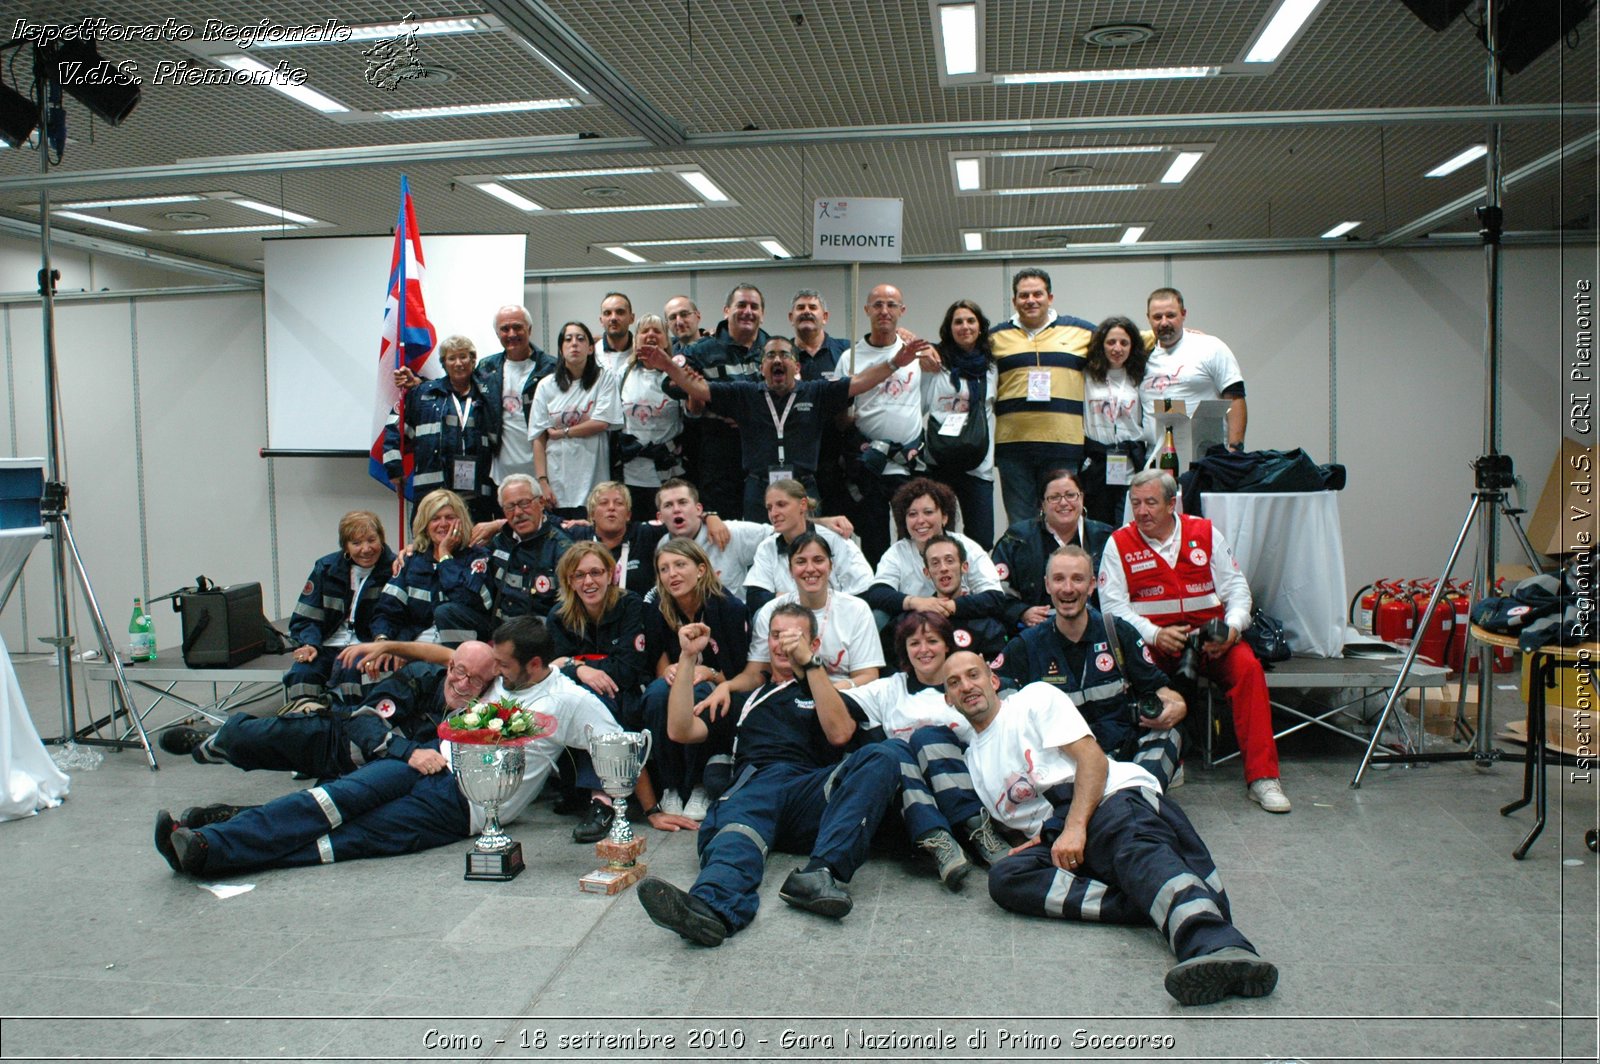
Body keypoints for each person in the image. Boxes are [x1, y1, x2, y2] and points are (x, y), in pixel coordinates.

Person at [154, 617, 676, 877]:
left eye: (504, 662)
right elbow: (439, 651)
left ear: (536, 665)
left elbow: (620, 748)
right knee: (329, 802)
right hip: (427, 763)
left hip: (467, 806)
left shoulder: (569, 700)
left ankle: (213, 848)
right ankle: (210, 838)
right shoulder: (498, 676)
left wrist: (648, 811)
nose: (490, 669)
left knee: (349, 838)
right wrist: (388, 645)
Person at [942, 651, 1279, 1007]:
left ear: (993, 680)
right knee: (1006, 878)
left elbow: (1092, 760)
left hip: (1107, 799)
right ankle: (1157, 899)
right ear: (948, 699)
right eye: (954, 683)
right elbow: (1019, 815)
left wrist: (1074, 827)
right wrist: (1042, 838)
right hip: (1060, 835)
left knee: (1133, 849)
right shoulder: (973, 760)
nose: (966, 686)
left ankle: (1219, 944)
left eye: (973, 675)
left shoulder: (1033, 699)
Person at [635, 608, 902, 945]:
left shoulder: (826, 693)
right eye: (776, 635)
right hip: (756, 786)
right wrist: (688, 657)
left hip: (811, 792)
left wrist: (810, 664)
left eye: (795, 637)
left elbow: (840, 734)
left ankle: (820, 874)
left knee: (885, 755)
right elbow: (680, 729)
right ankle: (710, 909)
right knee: (737, 834)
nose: (783, 644)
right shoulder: (743, 700)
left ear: (814, 643)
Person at [1098, 470, 1288, 813]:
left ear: (1172, 504)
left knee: (1248, 670)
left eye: (1151, 503)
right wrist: (1154, 633)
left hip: (1211, 640)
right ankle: (1167, 759)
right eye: (1136, 503)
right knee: (1134, 676)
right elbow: (1112, 608)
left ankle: (1263, 777)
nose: (1141, 511)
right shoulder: (1119, 543)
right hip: (1154, 643)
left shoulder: (1204, 532)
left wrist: (1232, 629)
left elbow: (1237, 589)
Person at [640, 335, 920, 523]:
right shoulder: (744, 394)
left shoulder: (816, 392)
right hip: (758, 488)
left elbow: (860, 382)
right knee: (760, 554)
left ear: (796, 366)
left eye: (784, 355)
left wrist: (896, 362)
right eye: (770, 355)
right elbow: (697, 388)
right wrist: (666, 364)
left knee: (807, 553)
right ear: (761, 367)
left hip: (803, 487)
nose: (777, 360)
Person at [839, 610, 1012, 887]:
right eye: (914, 643)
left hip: (966, 788)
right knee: (892, 750)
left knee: (927, 736)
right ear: (905, 651)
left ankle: (979, 831)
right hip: (912, 800)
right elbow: (837, 700)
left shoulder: (965, 685)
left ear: (947, 645)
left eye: (932, 641)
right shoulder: (890, 689)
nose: (923, 650)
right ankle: (939, 841)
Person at [162, 641, 498, 782]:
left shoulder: (485, 709)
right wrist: (408, 752)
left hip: (377, 774)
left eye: (476, 680)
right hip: (336, 740)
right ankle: (210, 739)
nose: (463, 684)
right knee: (242, 738)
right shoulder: (420, 678)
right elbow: (366, 722)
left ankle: (220, 815)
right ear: (450, 664)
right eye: (460, 672)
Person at [997, 546, 1185, 788]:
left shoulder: (1118, 632)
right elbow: (997, 701)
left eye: (1078, 579)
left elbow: (1162, 691)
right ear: (1047, 585)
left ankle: (1135, 791)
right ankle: (1131, 800)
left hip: (1124, 758)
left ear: (1092, 585)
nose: (1067, 588)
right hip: (1062, 766)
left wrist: (1177, 707)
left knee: (1170, 731)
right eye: (1058, 579)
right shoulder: (1026, 646)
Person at [641, 537, 749, 820]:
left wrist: (710, 673)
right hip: (679, 680)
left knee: (700, 698)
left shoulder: (729, 607)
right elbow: (659, 658)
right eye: (664, 569)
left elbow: (740, 675)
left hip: (720, 684)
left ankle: (699, 783)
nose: (672, 574)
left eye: (680, 565)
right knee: (655, 695)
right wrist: (667, 671)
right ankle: (672, 785)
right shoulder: (657, 606)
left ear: (701, 569)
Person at [989, 268, 1097, 528]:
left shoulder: (1081, 331)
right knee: (1021, 525)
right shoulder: (994, 337)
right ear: (1014, 301)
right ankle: (1027, 570)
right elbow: (956, 349)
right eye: (1023, 295)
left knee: (1065, 520)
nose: (1031, 300)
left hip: (1064, 445)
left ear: (1050, 297)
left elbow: (1125, 340)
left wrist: (1184, 334)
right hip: (1014, 450)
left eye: (1037, 294)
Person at [840, 283, 930, 565]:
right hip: (871, 464)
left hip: (908, 462)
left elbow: (929, 399)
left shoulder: (918, 355)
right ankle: (878, 598)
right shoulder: (850, 358)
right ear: (867, 310)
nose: (884, 311)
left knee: (917, 536)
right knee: (874, 539)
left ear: (902, 311)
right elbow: (842, 412)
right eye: (877, 304)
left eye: (891, 305)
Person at [735, 532, 882, 694]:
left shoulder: (857, 609)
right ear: (790, 570)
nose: (810, 569)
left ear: (830, 566)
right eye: (801, 562)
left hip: (842, 699)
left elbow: (868, 675)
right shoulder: (771, 610)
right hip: (786, 698)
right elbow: (755, 674)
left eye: (818, 560)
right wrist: (725, 686)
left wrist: (825, 693)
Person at [279, 510, 395, 705]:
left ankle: (354, 725)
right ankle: (305, 723)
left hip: (368, 647)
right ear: (346, 547)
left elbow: (393, 616)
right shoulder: (325, 569)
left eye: (371, 540)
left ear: (381, 540)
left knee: (355, 675)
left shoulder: (394, 569)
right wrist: (309, 645)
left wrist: (382, 642)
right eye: (356, 543)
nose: (366, 549)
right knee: (302, 674)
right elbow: (305, 617)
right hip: (326, 647)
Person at [384, 335, 502, 523]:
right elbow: (394, 427)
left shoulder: (487, 397)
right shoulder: (423, 394)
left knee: (476, 550)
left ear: (473, 360)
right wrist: (394, 469)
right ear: (444, 363)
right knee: (431, 550)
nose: (458, 363)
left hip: (477, 498)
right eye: (451, 358)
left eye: (463, 357)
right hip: (432, 495)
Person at [677, 283, 771, 518]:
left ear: (762, 314)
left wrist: (749, 416)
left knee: (765, 526)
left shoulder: (775, 349)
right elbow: (670, 385)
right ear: (726, 310)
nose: (748, 311)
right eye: (741, 305)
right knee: (722, 530)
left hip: (764, 453)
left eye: (754, 306)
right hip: (719, 456)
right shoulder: (701, 350)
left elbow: (790, 393)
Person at [862, 477, 1006, 626]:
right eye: (912, 514)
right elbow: (877, 593)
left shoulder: (968, 547)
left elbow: (995, 597)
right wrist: (917, 603)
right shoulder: (897, 552)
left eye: (928, 512)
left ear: (944, 517)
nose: (920, 521)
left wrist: (949, 606)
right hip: (915, 626)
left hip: (962, 620)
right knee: (878, 616)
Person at [993, 469, 1113, 631]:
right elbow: (996, 588)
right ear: (1042, 504)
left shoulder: (1106, 537)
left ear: (1082, 498)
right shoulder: (1017, 539)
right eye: (1054, 497)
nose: (1064, 503)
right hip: (1035, 630)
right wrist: (1021, 612)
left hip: (1096, 628)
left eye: (1071, 495)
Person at [921, 299, 999, 549]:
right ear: (949, 328)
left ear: (980, 326)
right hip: (939, 462)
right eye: (958, 322)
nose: (964, 327)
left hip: (978, 465)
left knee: (982, 538)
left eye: (970, 320)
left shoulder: (991, 366)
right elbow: (919, 406)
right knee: (937, 536)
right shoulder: (934, 363)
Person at [369, 489, 492, 647]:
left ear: (462, 521)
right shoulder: (412, 561)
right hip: (414, 644)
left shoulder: (478, 558)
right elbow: (388, 610)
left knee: (445, 611)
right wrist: (383, 641)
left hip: (459, 652)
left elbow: (466, 601)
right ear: (425, 525)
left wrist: (445, 556)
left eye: (450, 517)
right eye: (435, 519)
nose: (443, 524)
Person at [529, 321, 623, 520]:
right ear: (561, 349)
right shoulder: (546, 386)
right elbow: (538, 437)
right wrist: (542, 482)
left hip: (594, 480)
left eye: (581, 339)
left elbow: (601, 422)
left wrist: (563, 432)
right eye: (568, 339)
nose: (574, 344)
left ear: (590, 348)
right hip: (557, 482)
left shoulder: (603, 379)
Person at [742, 479, 873, 614]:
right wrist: (795, 601)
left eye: (781, 505)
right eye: (769, 508)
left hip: (836, 615)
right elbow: (755, 597)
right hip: (788, 620)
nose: (773, 513)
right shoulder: (767, 547)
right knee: (759, 615)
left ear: (803, 505)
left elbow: (863, 588)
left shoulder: (835, 539)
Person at [1141, 287, 1247, 453]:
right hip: (1156, 457)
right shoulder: (1141, 357)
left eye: (1171, 315)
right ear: (1148, 319)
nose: (1164, 322)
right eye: (1157, 317)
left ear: (1183, 314)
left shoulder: (1210, 347)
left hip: (1206, 455)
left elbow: (1235, 397)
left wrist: (1235, 448)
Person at [474, 305, 555, 494]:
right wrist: (419, 382)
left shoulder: (552, 367)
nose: (511, 334)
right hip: (499, 475)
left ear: (529, 329)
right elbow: (457, 385)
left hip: (545, 472)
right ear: (497, 333)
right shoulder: (486, 367)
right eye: (504, 329)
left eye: (518, 327)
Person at [1081, 316, 1149, 527]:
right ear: (1101, 345)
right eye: (1111, 342)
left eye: (1124, 343)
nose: (1117, 348)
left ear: (1132, 346)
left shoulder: (1140, 376)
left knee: (1126, 526)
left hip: (1130, 462)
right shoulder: (1086, 375)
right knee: (1097, 527)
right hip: (1097, 462)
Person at [615, 314, 685, 515]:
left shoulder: (676, 373)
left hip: (670, 469)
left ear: (667, 339)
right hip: (632, 471)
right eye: (645, 331)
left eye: (657, 331)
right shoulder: (623, 374)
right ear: (636, 338)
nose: (651, 335)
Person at [563, 481, 662, 598]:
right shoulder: (578, 536)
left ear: (628, 515)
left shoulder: (644, 534)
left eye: (619, 503)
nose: (611, 508)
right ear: (592, 514)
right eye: (604, 503)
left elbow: (680, 527)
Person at [920, 535, 1010, 661]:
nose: (943, 568)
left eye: (949, 561)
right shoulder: (917, 620)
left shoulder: (987, 624)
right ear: (927, 573)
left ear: (964, 567)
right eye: (935, 563)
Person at [787, 289, 850, 379]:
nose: (806, 311)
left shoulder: (847, 350)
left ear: (825, 317)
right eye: (800, 307)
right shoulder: (782, 356)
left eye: (813, 307)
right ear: (791, 318)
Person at [596, 291, 635, 373]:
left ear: (632, 318)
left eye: (620, 312)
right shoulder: (591, 354)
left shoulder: (641, 352)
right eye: (607, 313)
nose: (613, 318)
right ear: (601, 321)